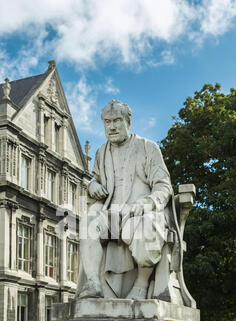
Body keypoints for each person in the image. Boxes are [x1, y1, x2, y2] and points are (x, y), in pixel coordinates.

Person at [75, 100, 181, 300]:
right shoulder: (101, 152)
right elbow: (95, 179)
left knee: (144, 228)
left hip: (141, 213)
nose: (112, 126)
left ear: (128, 121)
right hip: (111, 214)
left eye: (116, 120)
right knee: (88, 222)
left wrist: (148, 203)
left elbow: (163, 185)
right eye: (107, 122)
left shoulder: (148, 147)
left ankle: (141, 284)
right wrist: (92, 185)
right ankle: (93, 284)